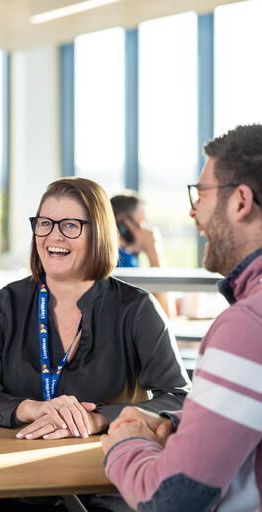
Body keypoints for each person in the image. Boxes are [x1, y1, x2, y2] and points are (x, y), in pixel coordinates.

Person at [0, 177, 190, 511]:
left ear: (98, 233)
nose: (53, 236)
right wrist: (32, 408)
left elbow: (180, 399)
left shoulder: (136, 309)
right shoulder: (2, 307)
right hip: (15, 487)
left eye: (69, 225)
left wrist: (101, 419)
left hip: (106, 486)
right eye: (45, 224)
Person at [101, 124, 262, 511]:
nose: (193, 211)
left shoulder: (247, 326)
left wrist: (126, 441)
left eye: (200, 193)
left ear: (241, 201)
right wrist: (178, 423)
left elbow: (171, 501)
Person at [110, 191, 163, 269]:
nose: (148, 229)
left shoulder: (123, 256)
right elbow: (160, 280)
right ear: (124, 225)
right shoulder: (121, 262)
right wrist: (152, 249)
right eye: (143, 220)